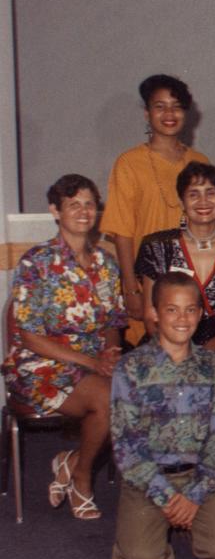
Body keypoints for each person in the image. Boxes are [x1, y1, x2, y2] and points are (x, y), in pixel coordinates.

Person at [2, 174, 125, 520]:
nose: (84, 212)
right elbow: (28, 335)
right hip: (39, 365)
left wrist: (110, 353)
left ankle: (71, 462)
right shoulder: (36, 262)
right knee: (108, 397)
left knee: (131, 390)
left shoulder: (106, 264)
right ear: (55, 211)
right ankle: (83, 477)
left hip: (92, 364)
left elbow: (114, 322)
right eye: (74, 205)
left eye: (89, 204)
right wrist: (90, 360)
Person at [109, 272, 215, 559]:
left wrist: (194, 497)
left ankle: (194, 522)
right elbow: (127, 446)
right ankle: (156, 525)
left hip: (199, 476)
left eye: (190, 309)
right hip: (148, 478)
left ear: (200, 312)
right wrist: (166, 497)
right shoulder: (131, 369)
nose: (182, 319)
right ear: (155, 313)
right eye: (172, 309)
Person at [136, 162, 215, 423]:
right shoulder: (157, 247)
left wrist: (204, 352)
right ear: (182, 201)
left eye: (210, 192)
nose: (203, 201)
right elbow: (150, 314)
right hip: (165, 339)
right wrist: (175, 350)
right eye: (194, 194)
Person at [101, 74, 210, 343]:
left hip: (193, 285)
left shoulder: (199, 161)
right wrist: (131, 288)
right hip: (148, 282)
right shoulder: (129, 163)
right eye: (160, 106)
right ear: (147, 113)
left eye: (176, 106)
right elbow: (122, 232)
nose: (169, 114)